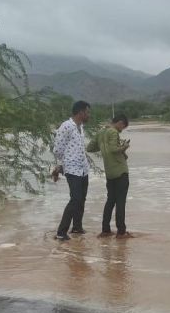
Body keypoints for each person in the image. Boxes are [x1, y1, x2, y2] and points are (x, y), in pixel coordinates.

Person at [52, 101, 92, 241]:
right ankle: (61, 232)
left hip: (83, 168)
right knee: (75, 199)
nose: (89, 115)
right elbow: (57, 149)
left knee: (81, 199)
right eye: (87, 112)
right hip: (72, 169)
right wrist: (62, 164)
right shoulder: (66, 126)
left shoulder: (81, 127)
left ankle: (77, 227)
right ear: (80, 112)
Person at [87, 114, 131, 239]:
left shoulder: (101, 132)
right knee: (120, 202)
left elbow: (89, 148)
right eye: (123, 127)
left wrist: (102, 145)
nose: (121, 130)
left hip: (110, 173)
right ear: (120, 122)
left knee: (110, 201)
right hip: (120, 171)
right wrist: (124, 146)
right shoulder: (113, 132)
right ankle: (121, 232)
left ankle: (105, 230)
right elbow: (113, 149)